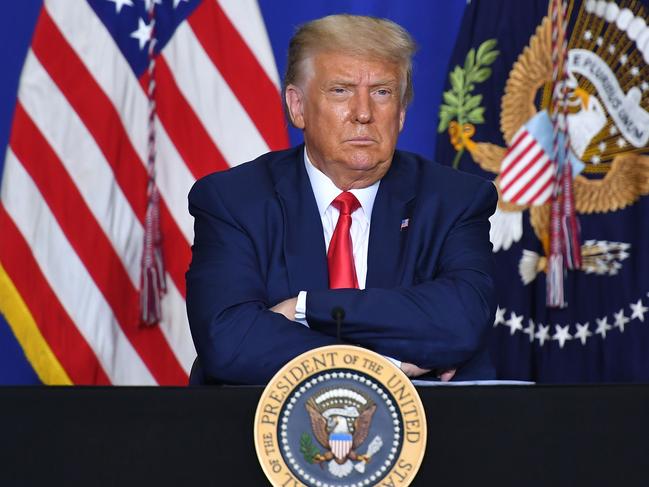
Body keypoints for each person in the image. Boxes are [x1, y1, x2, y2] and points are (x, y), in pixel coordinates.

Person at [186, 14, 497, 385]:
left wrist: (306, 308)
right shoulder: (234, 201)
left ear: (401, 113)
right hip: (259, 432)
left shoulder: (454, 200)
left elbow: (461, 323)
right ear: (297, 106)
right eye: (341, 90)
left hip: (426, 433)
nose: (363, 113)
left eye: (382, 92)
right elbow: (230, 342)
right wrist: (388, 364)